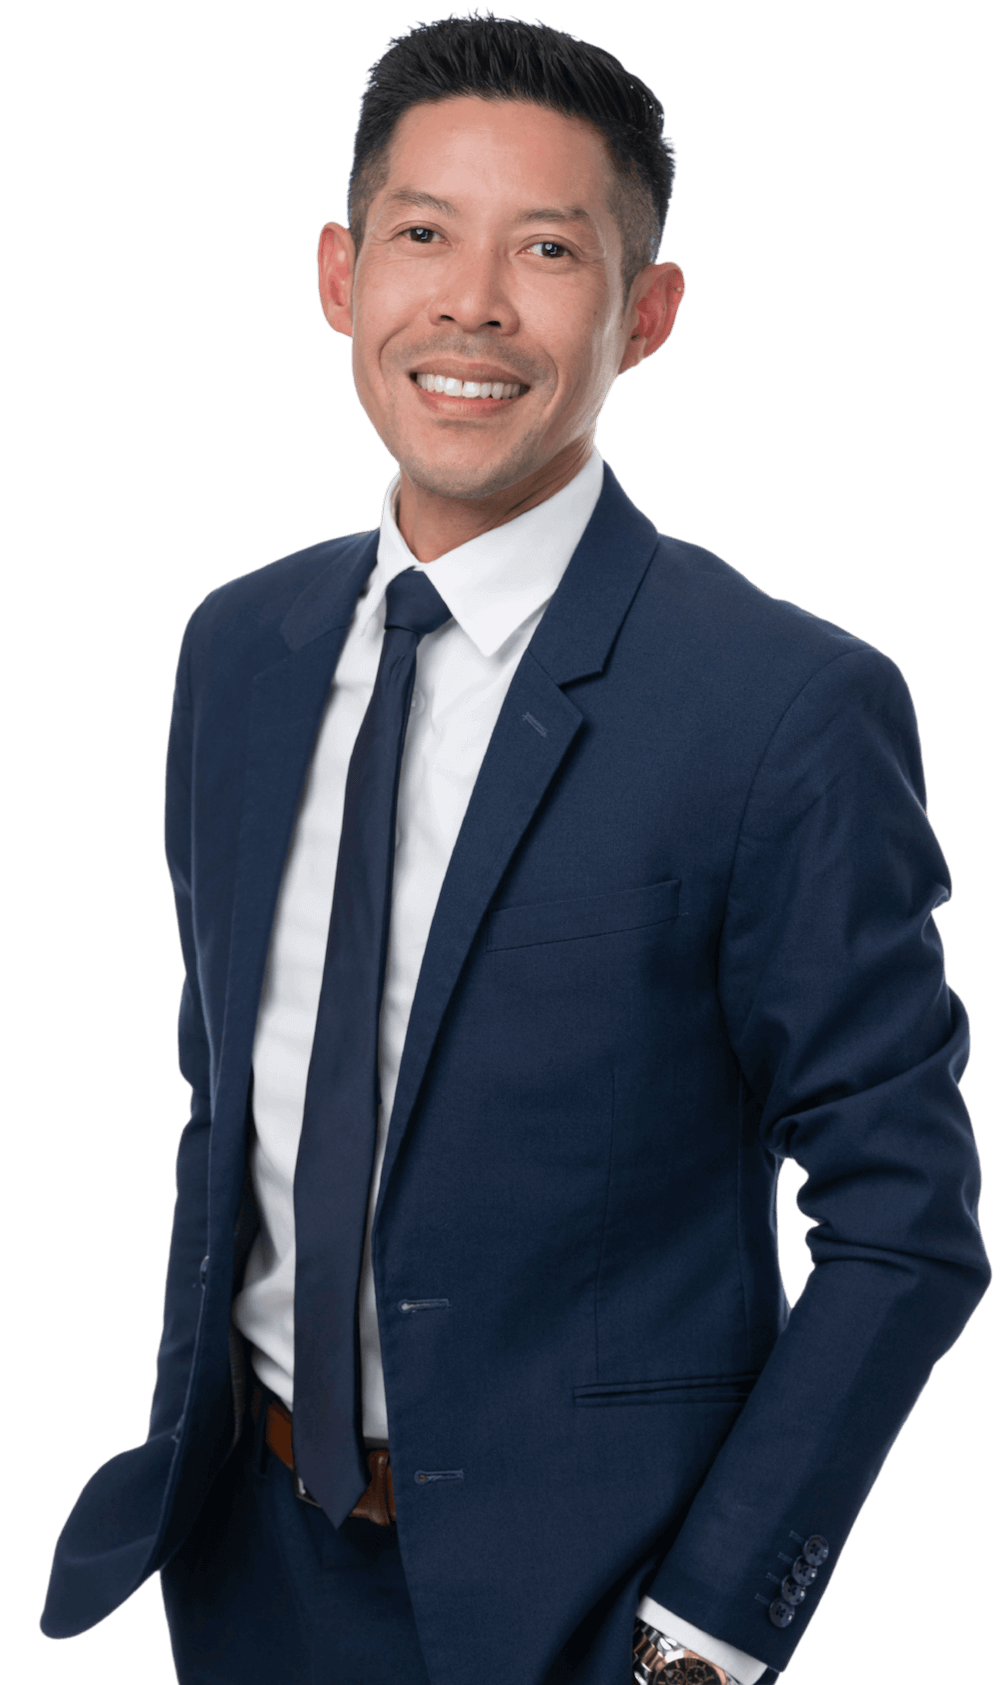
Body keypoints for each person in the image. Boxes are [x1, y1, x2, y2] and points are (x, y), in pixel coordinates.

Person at [39, 14, 989, 1684]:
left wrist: (702, 1632)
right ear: (341, 275)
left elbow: (905, 1221)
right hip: (243, 1563)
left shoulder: (783, 706)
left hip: (588, 1609)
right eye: (424, 235)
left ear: (650, 311)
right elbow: (232, 1100)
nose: (471, 303)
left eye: (548, 250)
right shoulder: (237, 649)